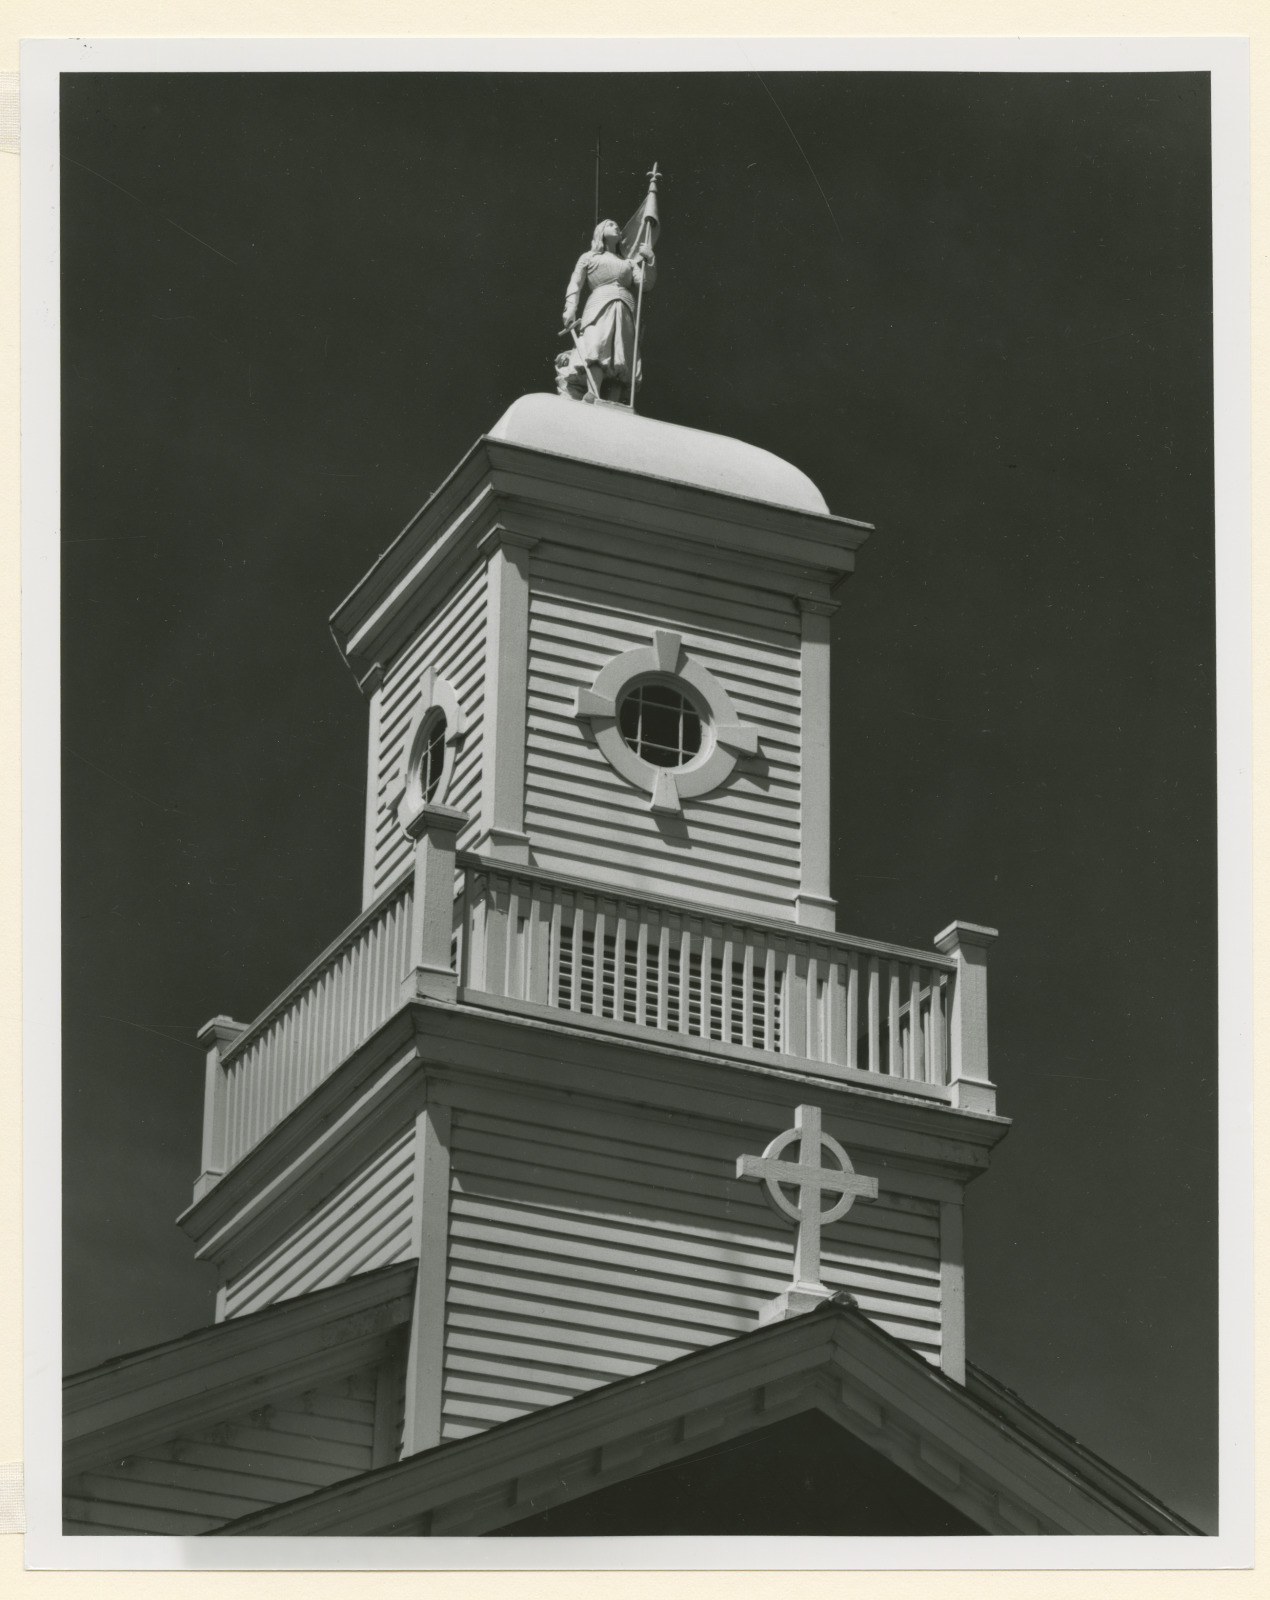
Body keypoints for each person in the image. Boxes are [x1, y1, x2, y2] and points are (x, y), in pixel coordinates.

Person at [556, 218, 656, 403]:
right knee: (596, 346)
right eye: (611, 225)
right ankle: (593, 392)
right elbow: (575, 282)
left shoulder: (629, 263)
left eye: (618, 226)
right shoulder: (590, 257)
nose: (616, 227)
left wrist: (650, 259)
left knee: (620, 357)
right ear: (600, 231)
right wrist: (570, 307)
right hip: (599, 304)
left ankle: (612, 401)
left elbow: (645, 284)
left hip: (626, 308)